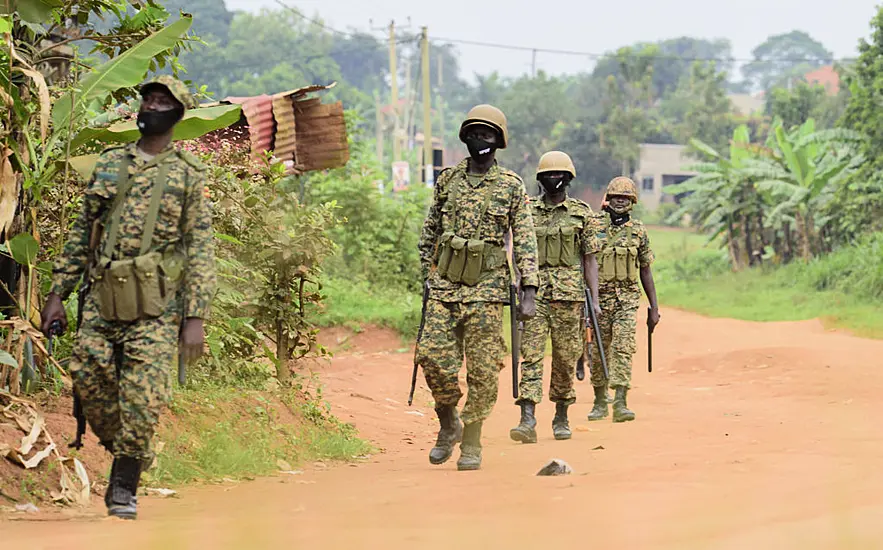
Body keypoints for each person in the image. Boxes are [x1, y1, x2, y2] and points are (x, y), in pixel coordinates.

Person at [40, 75, 215, 519]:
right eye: (147, 98)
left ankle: (123, 487)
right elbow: (83, 231)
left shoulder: (187, 175)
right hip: (100, 298)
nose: (150, 106)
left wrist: (195, 318)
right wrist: (58, 291)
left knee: (143, 398)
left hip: (156, 306)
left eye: (161, 101)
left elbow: (200, 247)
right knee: (87, 376)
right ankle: (132, 448)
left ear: (177, 113)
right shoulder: (109, 164)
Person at [416, 104, 538, 471]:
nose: (479, 141)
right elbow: (431, 227)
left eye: (486, 135)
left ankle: (471, 438)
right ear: (464, 137)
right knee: (432, 356)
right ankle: (448, 422)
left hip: (487, 287)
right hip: (445, 283)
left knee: (484, 369)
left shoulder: (511, 186)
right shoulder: (448, 180)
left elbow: (526, 238)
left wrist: (528, 287)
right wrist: (425, 271)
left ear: (498, 141)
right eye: (473, 134)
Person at [509, 151, 600, 443]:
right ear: (540, 179)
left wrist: (594, 299)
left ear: (569, 178)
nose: (553, 179)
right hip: (534, 296)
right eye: (548, 175)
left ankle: (561, 415)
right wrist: (519, 284)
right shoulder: (527, 212)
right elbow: (519, 251)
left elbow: (590, 259)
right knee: (531, 354)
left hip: (569, 296)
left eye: (559, 174)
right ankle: (527, 417)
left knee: (565, 356)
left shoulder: (582, 213)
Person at [587, 176, 659, 423]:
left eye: (625, 198)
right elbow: (584, 263)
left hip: (627, 300)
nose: (620, 202)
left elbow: (645, 269)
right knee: (598, 350)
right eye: (616, 197)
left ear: (633, 202)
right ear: (608, 199)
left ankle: (620, 401)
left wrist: (654, 307)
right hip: (599, 300)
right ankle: (599, 401)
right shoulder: (593, 226)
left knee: (623, 347)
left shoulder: (638, 230)